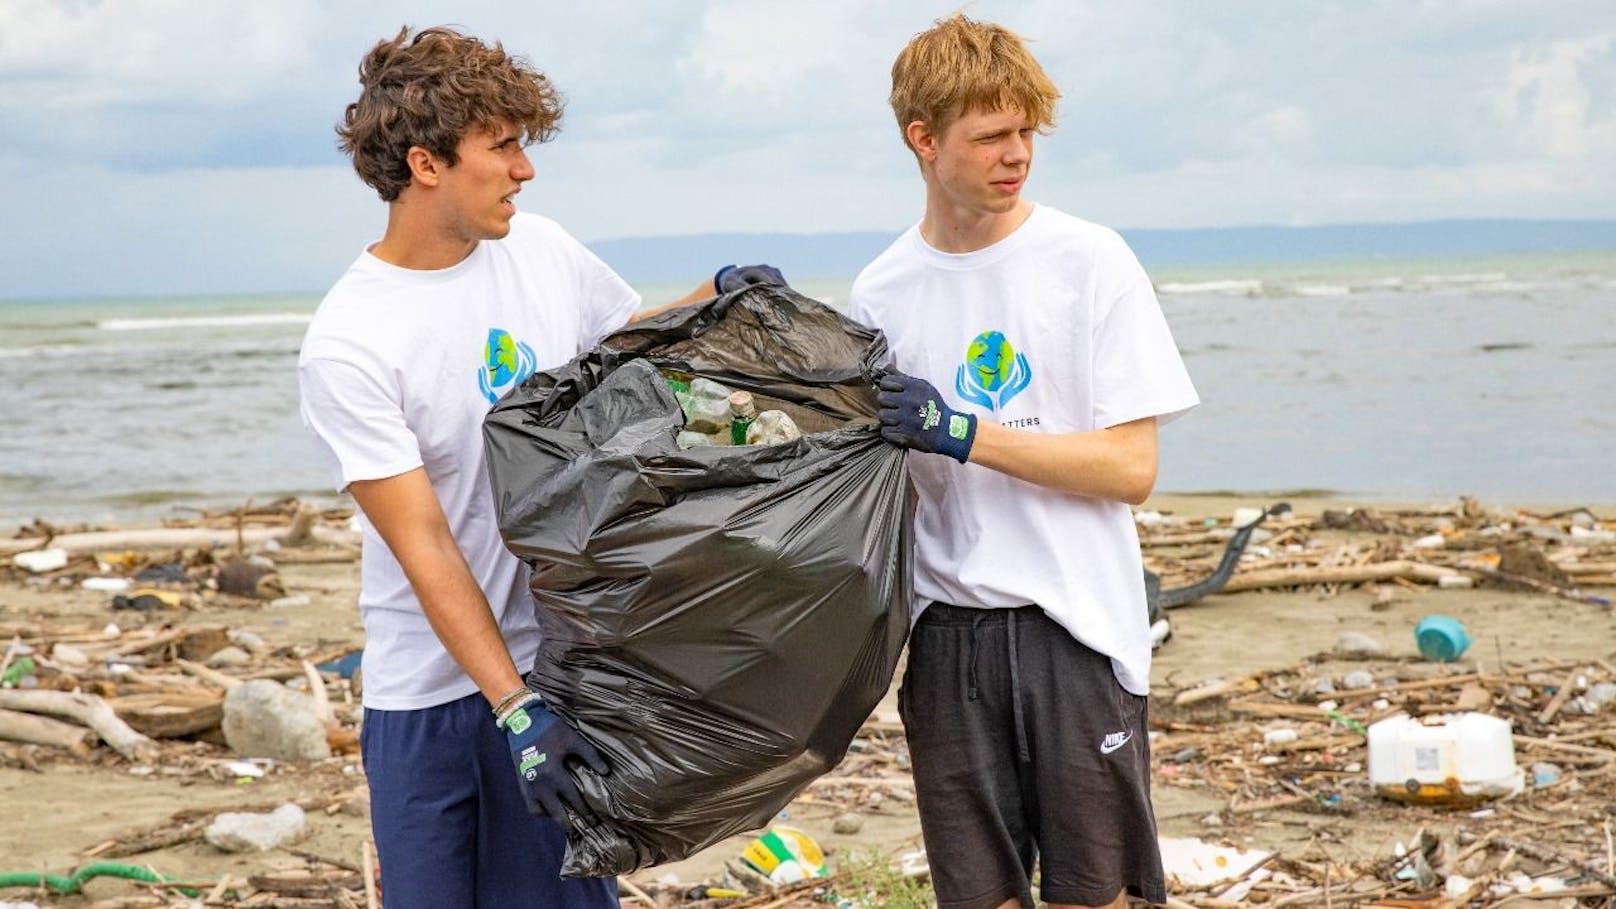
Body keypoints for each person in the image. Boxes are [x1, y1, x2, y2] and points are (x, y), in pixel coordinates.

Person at [298, 26, 781, 908]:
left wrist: (716, 296)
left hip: (564, 667)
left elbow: (628, 357)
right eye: (505, 146)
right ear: (427, 163)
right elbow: (428, 547)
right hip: (434, 704)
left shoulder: (543, 250)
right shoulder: (351, 340)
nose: (526, 170)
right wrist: (514, 707)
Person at [848, 15, 1199, 909]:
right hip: (946, 638)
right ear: (922, 140)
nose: (1018, 156)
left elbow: (1132, 466)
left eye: (1027, 132)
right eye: (992, 136)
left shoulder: (1088, 260)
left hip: (1073, 629)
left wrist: (965, 431)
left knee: (1098, 894)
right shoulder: (881, 290)